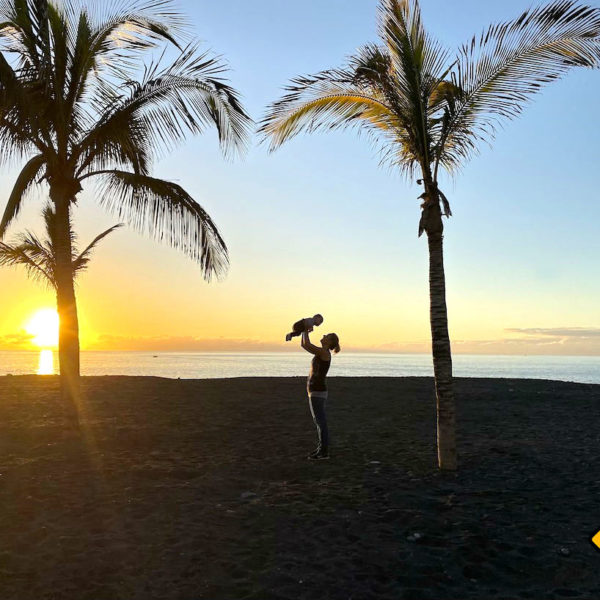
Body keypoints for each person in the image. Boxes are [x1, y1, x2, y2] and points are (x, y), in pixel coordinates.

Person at [300, 328, 340, 460]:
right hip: (315, 391)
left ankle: (324, 452)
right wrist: (303, 331)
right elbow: (304, 345)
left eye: (326, 336)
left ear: (329, 342)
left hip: (318, 391)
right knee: (319, 421)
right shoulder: (322, 352)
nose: (323, 335)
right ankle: (320, 449)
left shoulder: (324, 353)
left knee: (321, 422)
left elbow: (307, 345)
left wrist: (305, 329)